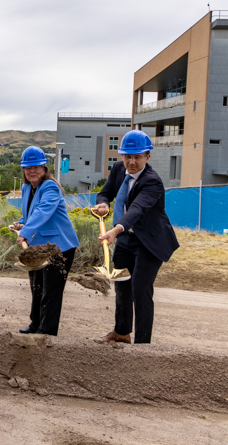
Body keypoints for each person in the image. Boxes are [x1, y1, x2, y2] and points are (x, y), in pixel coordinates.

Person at [92, 130, 179, 344]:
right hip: (126, 240)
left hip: (150, 242)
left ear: (147, 157)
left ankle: (142, 345)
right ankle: (121, 333)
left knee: (140, 289)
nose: (131, 162)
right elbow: (106, 192)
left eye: (137, 157)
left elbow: (136, 210)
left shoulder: (152, 182)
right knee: (121, 284)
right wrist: (103, 203)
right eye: (127, 156)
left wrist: (115, 230)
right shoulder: (119, 169)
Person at [10, 146, 79, 336]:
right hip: (39, 247)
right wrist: (22, 223)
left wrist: (26, 231)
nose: (32, 171)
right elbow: (32, 212)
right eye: (28, 167)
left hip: (59, 247)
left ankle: (46, 332)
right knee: (37, 286)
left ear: (44, 168)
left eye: (36, 167)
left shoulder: (50, 186)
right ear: (23, 170)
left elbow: (44, 211)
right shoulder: (27, 188)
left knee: (51, 291)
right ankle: (36, 324)